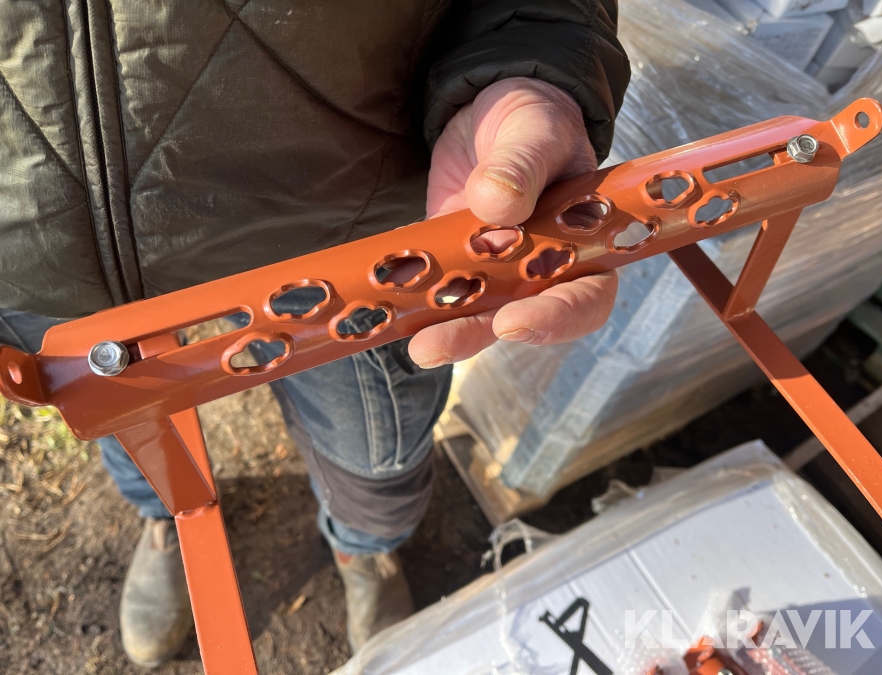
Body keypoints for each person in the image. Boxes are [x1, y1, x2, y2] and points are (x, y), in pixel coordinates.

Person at [0, 0, 629, 667]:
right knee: (114, 410)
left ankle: (365, 547)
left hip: (338, 231)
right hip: (39, 258)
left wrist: (527, 56)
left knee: (377, 445)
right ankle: (164, 517)